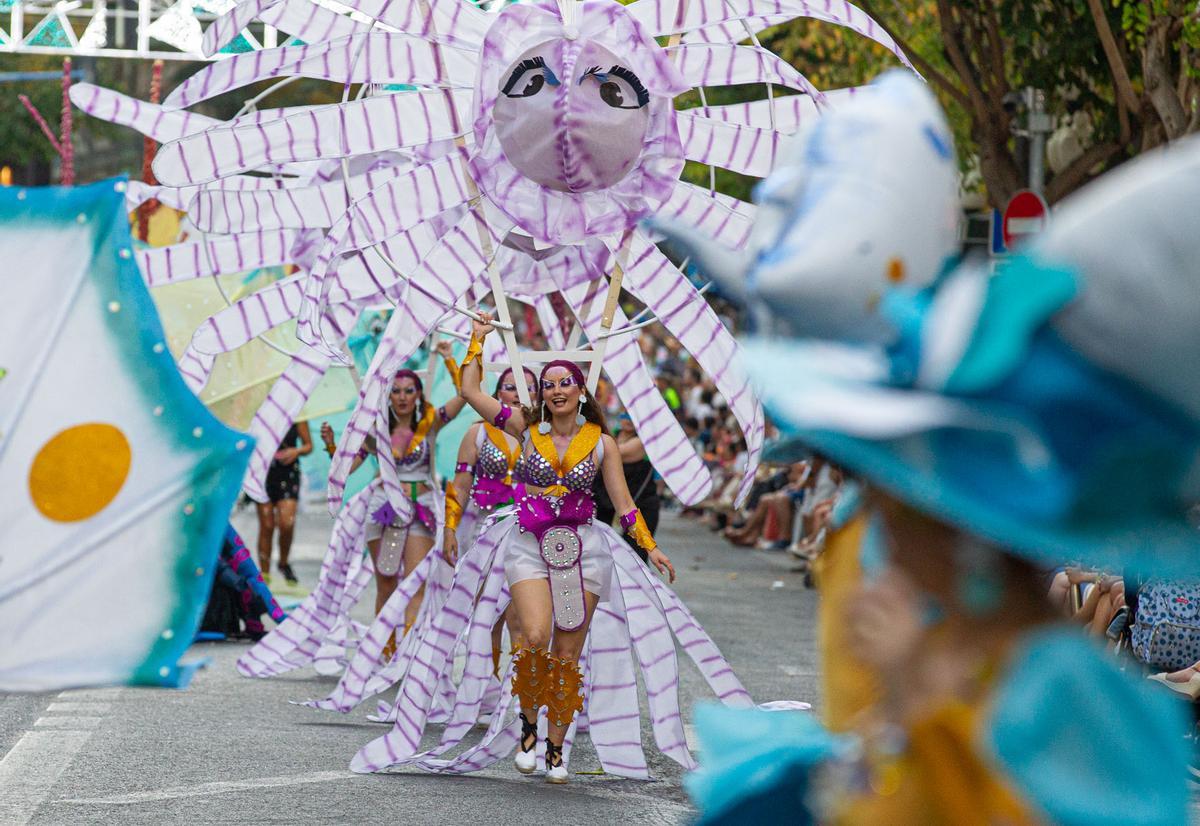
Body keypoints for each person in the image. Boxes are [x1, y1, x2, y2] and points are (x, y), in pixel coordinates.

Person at [349, 312, 753, 784]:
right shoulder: (524, 427)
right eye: (549, 384)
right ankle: (527, 729)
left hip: (585, 550)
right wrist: (476, 342)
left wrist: (651, 546)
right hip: (527, 544)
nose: (557, 390)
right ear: (541, 394)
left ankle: (556, 748)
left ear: (581, 391)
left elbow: (624, 505)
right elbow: (472, 391)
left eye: (565, 383)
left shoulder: (602, 443)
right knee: (534, 636)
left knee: (567, 651)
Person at [319, 347, 466, 630]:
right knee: (386, 584)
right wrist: (332, 446)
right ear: (388, 396)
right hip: (383, 508)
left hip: (421, 509)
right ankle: (383, 649)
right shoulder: (377, 430)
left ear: (418, 394)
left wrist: (449, 358)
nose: (402, 397)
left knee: (414, 584)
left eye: (409, 391)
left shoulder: (430, 424)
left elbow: (464, 394)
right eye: (396, 391)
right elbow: (349, 466)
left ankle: (407, 651)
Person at [592, 411, 661, 562]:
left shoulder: (642, 441)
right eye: (625, 415)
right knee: (601, 557)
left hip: (639, 506)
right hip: (606, 505)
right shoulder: (611, 437)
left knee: (634, 559)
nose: (629, 420)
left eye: (633, 416)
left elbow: (613, 452)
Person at [256, 421, 311, 585]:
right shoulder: (259, 413)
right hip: (262, 472)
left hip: (288, 473)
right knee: (267, 525)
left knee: (287, 523)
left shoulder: (297, 413)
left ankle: (283, 562)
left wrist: (296, 451)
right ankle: (265, 575)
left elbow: (309, 446)